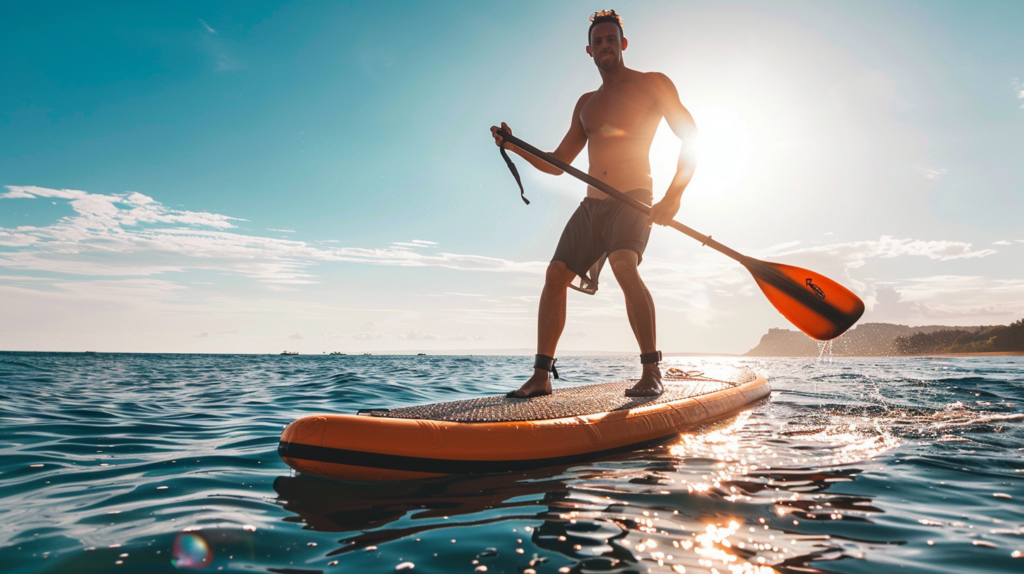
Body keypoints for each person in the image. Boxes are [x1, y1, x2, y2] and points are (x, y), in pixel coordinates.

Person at [491, 9, 697, 398]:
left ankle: (651, 371)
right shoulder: (586, 103)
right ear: (589, 50)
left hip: (633, 199)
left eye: (610, 39)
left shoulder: (653, 84)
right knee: (555, 275)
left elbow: (691, 136)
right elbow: (557, 164)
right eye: (597, 41)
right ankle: (542, 377)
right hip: (592, 205)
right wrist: (513, 146)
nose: (605, 45)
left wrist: (674, 196)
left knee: (623, 264)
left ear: (623, 44)